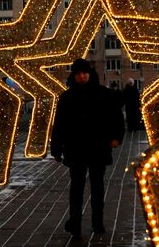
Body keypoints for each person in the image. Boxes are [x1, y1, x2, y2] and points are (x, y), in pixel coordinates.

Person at [51, 58, 125, 238]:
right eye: (78, 74)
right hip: (76, 148)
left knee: (97, 186)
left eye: (85, 73)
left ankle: (97, 223)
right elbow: (59, 123)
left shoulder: (104, 94)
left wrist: (116, 137)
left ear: (90, 74)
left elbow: (116, 117)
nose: (82, 76)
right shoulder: (67, 97)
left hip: (98, 147)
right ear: (74, 76)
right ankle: (75, 223)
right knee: (76, 187)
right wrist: (56, 147)